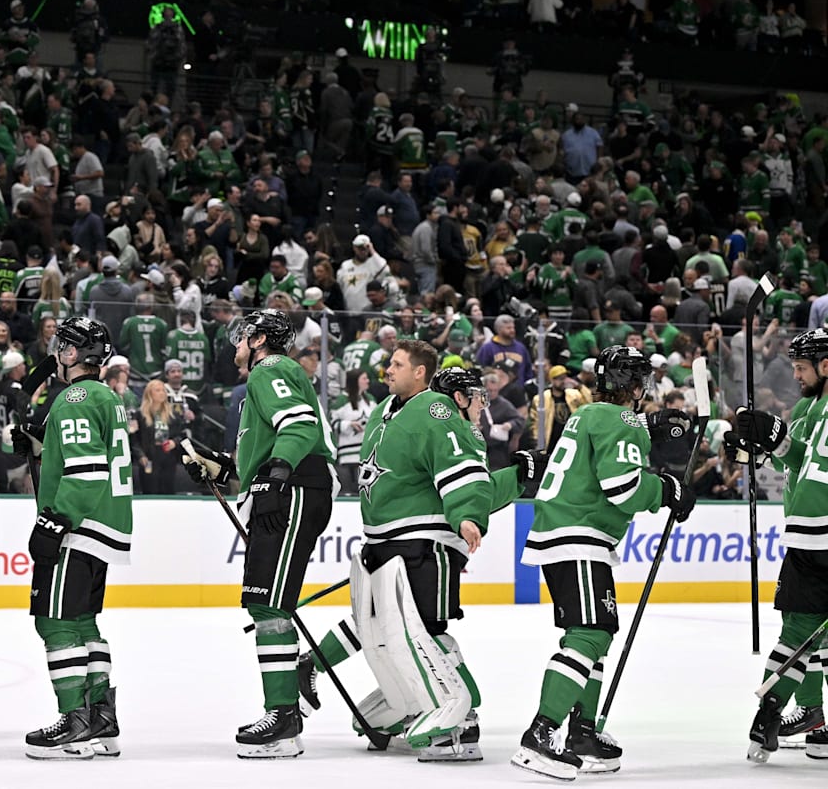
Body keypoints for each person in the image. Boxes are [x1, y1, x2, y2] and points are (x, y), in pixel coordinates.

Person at [302, 342, 534, 762]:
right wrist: (503, 488)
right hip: (412, 541)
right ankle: (444, 715)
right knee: (408, 626)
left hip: (399, 540)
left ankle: (449, 717)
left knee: (397, 625)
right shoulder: (435, 416)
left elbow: (462, 484)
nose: (482, 407)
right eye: (476, 398)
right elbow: (469, 484)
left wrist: (497, 490)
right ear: (458, 396)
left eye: (396, 363)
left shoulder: (398, 412)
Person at [512, 345, 695, 779]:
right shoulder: (621, 419)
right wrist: (667, 490)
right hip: (579, 535)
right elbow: (624, 488)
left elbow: (611, 451)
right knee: (590, 633)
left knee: (597, 636)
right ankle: (541, 733)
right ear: (634, 385)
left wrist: (650, 429)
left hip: (566, 533)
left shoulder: (587, 414)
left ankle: (582, 732)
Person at [178, 308, 337, 758]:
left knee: (270, 603)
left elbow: (300, 425)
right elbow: (263, 451)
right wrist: (223, 466)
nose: (236, 346)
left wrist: (280, 471)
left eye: (242, 337)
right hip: (286, 489)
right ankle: (283, 712)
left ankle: (284, 719)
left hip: (297, 489)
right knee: (264, 602)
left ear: (261, 339)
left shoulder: (271, 368)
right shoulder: (262, 384)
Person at [12, 316, 132, 759]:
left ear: (71, 354)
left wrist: (55, 520)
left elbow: (86, 472)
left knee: (55, 621)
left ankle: (74, 720)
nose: (56, 354)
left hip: (79, 527)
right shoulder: (106, 396)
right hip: (102, 525)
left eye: (61, 347)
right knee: (83, 623)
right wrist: (41, 445)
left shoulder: (76, 396)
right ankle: (100, 717)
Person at [728, 328, 828, 762]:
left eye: (803, 367)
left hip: (819, 531)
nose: (796, 375)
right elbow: (801, 456)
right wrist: (768, 438)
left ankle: (785, 714)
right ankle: (809, 716)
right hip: (806, 533)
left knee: (804, 633)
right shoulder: (810, 407)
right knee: (802, 632)